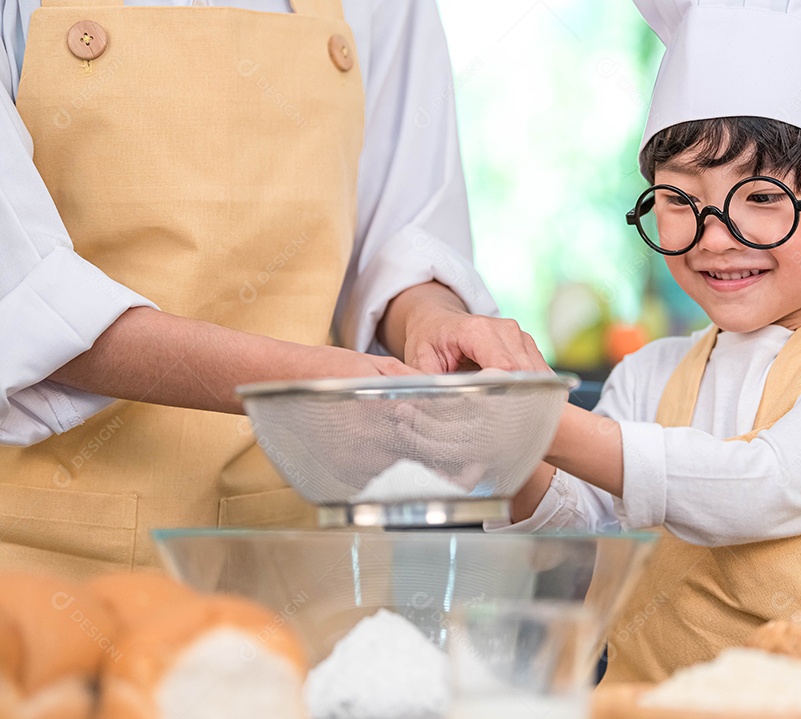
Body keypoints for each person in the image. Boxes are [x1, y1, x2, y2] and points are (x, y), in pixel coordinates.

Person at [0, 0, 546, 579]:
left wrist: (433, 320)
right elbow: (24, 297)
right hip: (43, 563)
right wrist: (301, 386)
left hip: (293, 555)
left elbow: (402, 236)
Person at [502, 0, 801, 684]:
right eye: (680, 200)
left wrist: (541, 422)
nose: (715, 236)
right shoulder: (646, 374)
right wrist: (503, 435)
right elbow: (574, 541)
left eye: (763, 198)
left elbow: (756, 490)